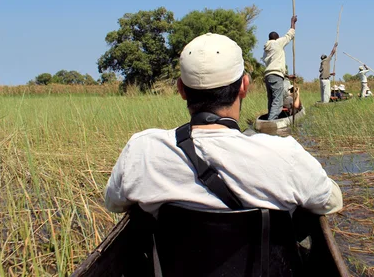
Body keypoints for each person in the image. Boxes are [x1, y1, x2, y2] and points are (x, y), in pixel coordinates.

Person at [104, 33, 342, 217]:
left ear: (181, 89)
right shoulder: (284, 153)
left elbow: (113, 203)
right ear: (244, 86)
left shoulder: (141, 150)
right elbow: (331, 201)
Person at [262, 15, 297, 120]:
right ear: (276, 38)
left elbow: (272, 65)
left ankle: (270, 118)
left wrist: (286, 75)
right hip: (276, 76)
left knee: (272, 100)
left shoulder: (266, 50)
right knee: (278, 101)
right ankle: (271, 122)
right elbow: (289, 35)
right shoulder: (277, 43)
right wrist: (293, 23)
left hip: (268, 76)